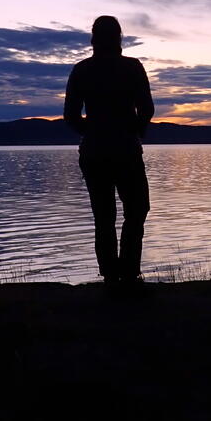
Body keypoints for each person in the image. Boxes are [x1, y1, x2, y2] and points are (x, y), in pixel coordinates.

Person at [63, 15, 155, 291]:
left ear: (93, 39)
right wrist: (135, 129)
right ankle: (127, 273)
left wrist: (91, 132)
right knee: (136, 210)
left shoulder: (82, 70)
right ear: (119, 38)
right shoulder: (132, 67)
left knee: (104, 215)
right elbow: (147, 109)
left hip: (95, 151)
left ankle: (112, 275)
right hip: (125, 149)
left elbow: (70, 115)